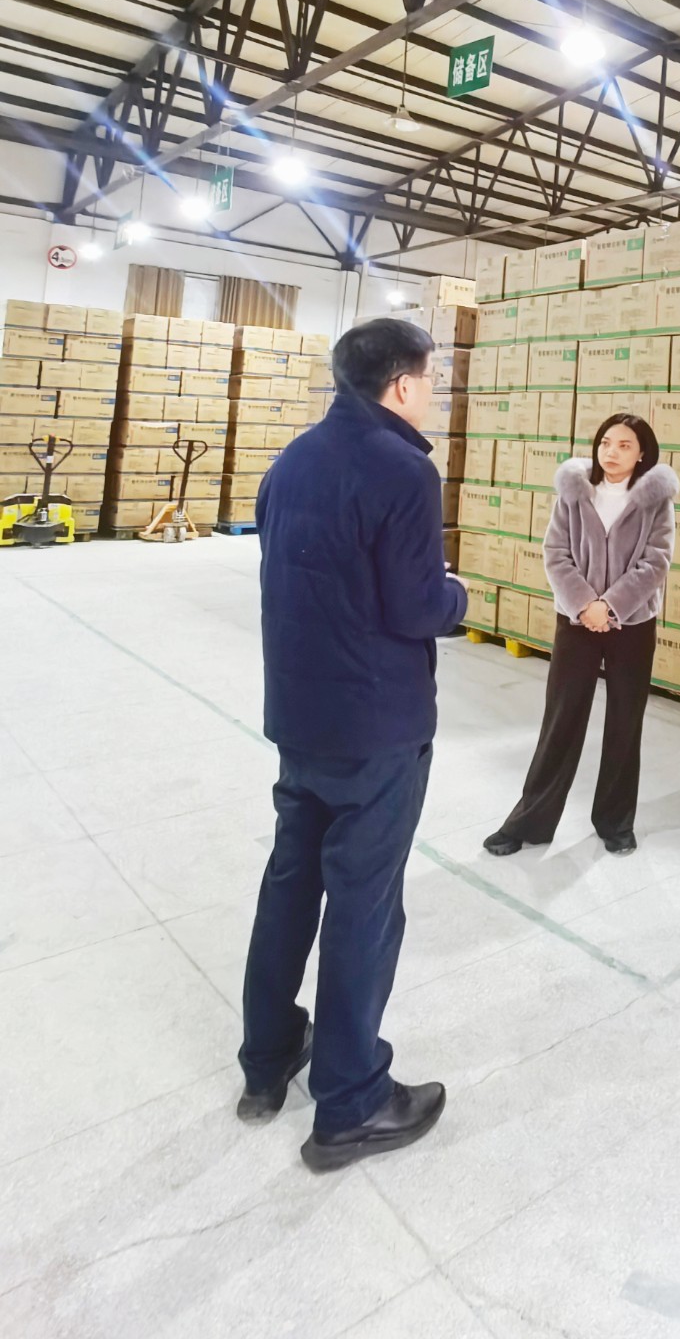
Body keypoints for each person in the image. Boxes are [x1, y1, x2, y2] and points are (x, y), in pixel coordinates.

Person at [238, 317, 466, 1172]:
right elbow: (414, 606)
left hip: (300, 716)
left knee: (290, 885)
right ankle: (351, 1101)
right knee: (365, 908)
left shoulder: (294, 459)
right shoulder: (403, 469)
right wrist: (457, 596)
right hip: (376, 727)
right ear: (402, 385)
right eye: (430, 380)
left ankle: (267, 1059)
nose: (432, 395)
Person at [483, 414, 677, 858]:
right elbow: (555, 553)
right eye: (605, 442)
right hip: (576, 623)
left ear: (642, 453)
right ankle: (529, 822)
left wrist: (610, 606)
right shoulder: (574, 491)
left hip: (633, 624)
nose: (611, 452)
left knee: (625, 722)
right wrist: (586, 605)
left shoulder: (656, 500)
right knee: (561, 720)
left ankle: (615, 822)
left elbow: (656, 561)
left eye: (624, 445)